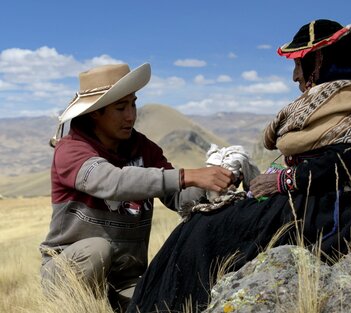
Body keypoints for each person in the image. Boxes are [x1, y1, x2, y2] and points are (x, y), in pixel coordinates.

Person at [127, 19, 351, 313]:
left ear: (321, 60)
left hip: (329, 206)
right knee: (195, 228)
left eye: (300, 64)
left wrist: (283, 181)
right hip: (312, 198)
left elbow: (349, 162)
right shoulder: (342, 100)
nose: (296, 76)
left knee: (204, 232)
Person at [39, 63, 234, 312]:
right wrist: (187, 176)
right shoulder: (71, 149)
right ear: (95, 113)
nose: (130, 115)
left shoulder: (144, 148)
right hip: (68, 271)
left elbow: (178, 199)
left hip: (126, 278)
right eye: (120, 108)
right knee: (97, 249)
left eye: (133, 104)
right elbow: (113, 182)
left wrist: (215, 182)